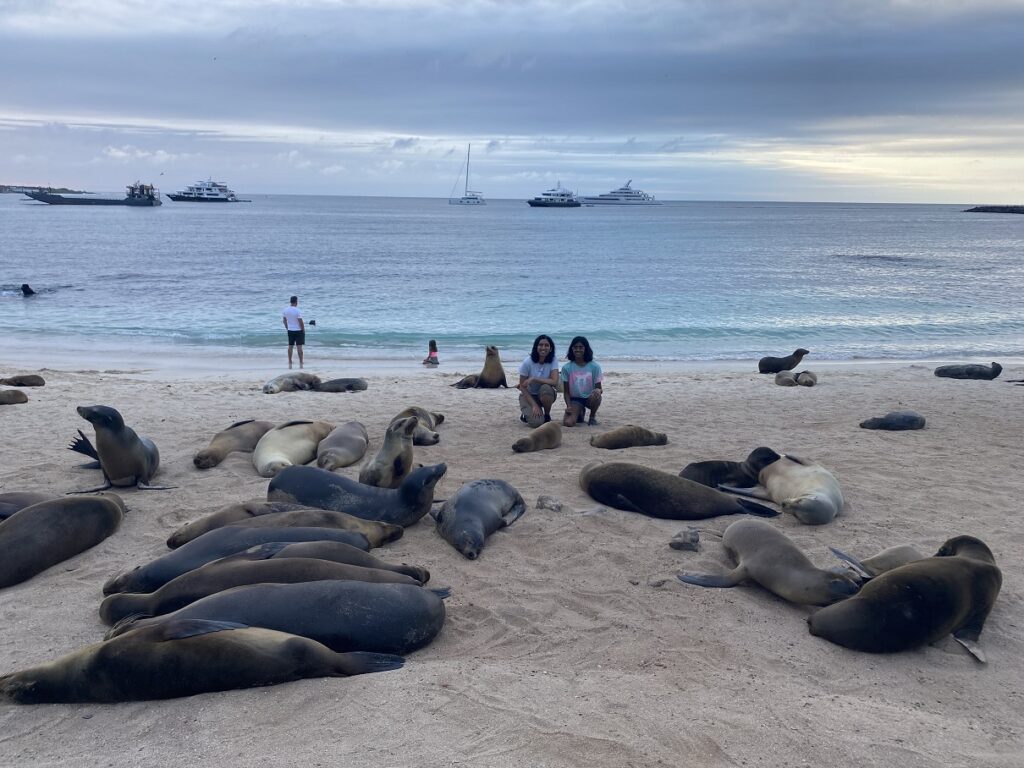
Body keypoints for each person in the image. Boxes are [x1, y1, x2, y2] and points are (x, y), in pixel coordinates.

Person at [517, 334, 559, 428]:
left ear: (551, 348)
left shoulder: (553, 360)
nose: (543, 347)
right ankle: (527, 413)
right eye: (540, 345)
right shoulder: (527, 362)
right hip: (528, 395)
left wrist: (534, 378)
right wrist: (534, 405)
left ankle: (547, 415)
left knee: (546, 388)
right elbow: (522, 386)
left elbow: (554, 381)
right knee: (536, 423)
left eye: (547, 345)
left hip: (544, 394)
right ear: (536, 347)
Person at [561, 335, 603, 426]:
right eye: (575, 347)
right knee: (568, 423)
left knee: (597, 394)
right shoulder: (566, 368)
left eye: (581, 347)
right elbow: (566, 392)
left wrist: (598, 391)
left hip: (590, 398)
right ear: (572, 349)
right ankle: (580, 412)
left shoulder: (594, 367)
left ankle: (592, 417)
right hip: (575, 399)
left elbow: (599, 388)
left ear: (585, 349)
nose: (578, 350)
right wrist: (568, 406)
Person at [282, 295, 305, 369]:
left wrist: (287, 327)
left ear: (290, 301)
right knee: (299, 347)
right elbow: (300, 321)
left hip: (290, 330)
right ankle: (301, 361)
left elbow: (284, 320)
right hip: (298, 330)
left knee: (290, 346)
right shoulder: (297, 310)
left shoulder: (285, 310)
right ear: (296, 302)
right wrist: (303, 329)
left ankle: (290, 360)